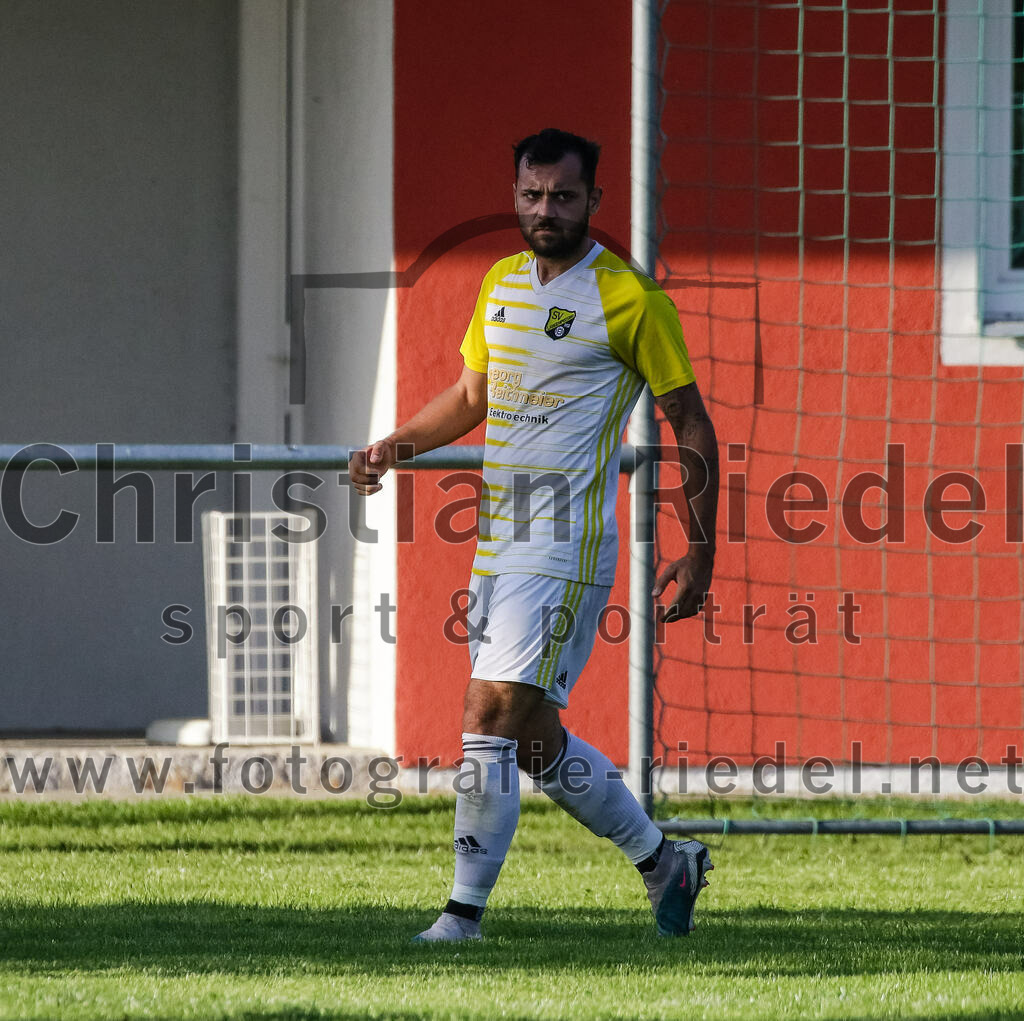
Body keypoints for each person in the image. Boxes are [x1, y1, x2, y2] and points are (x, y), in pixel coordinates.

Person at [350, 128, 720, 942]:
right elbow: (470, 393)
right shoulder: (502, 282)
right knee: (532, 741)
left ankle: (461, 916)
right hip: (498, 546)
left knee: (487, 714)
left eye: (561, 196)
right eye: (530, 194)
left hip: (566, 548)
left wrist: (700, 551)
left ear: (594, 200)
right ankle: (665, 859)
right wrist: (391, 447)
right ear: (514, 194)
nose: (543, 209)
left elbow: (689, 421)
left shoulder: (629, 298)